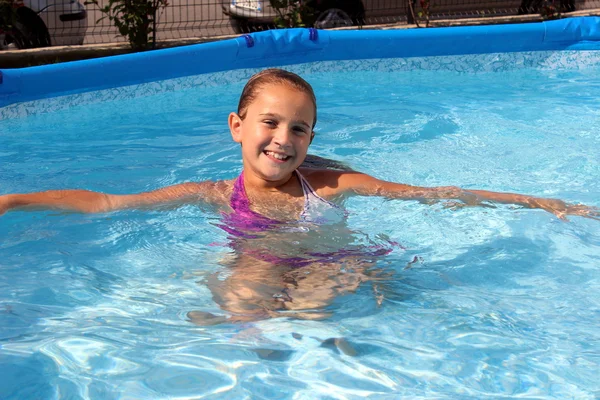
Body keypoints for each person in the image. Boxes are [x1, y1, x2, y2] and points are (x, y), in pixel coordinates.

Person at [0, 68, 597, 323]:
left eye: (299, 128)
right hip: (261, 258)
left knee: (313, 311)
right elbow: (107, 203)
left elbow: (434, 194)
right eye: (269, 123)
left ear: (313, 136)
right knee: (238, 311)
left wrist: (539, 202)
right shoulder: (212, 193)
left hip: (336, 258)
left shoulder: (331, 182)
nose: (283, 140)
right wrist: (13, 200)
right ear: (236, 126)